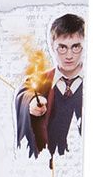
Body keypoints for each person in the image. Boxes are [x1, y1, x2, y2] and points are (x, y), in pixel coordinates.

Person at [15, 14, 84, 163]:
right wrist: (32, 102)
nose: (69, 55)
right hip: (48, 165)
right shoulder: (41, 80)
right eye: (62, 47)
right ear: (52, 46)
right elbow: (25, 92)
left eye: (76, 47)